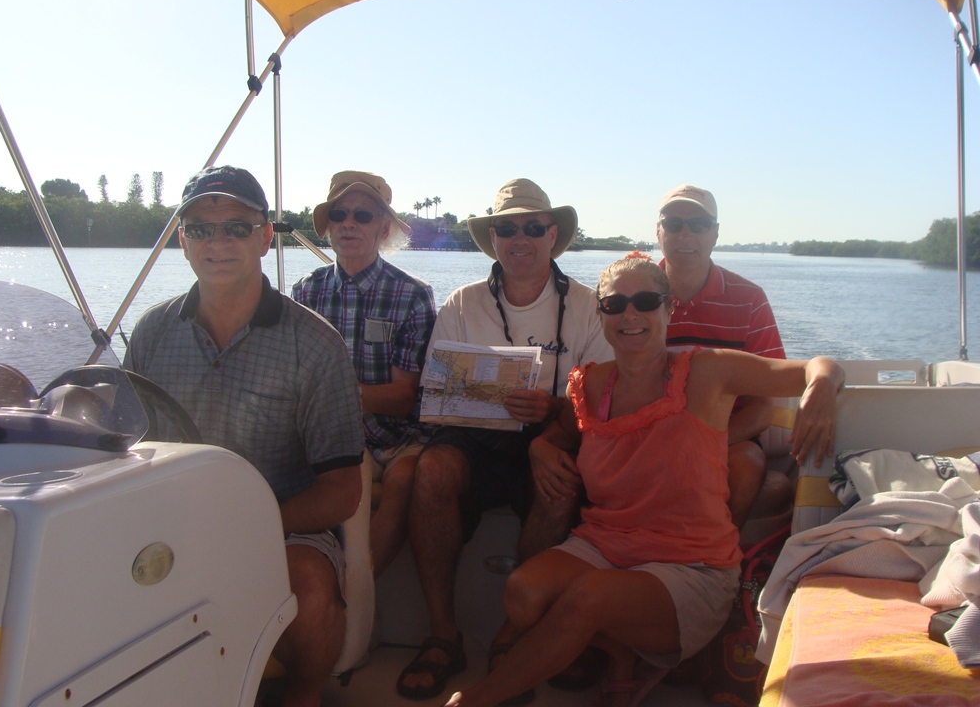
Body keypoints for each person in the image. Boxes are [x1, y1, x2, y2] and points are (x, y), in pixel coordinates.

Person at [443, 252, 843, 707]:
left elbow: (819, 367)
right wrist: (541, 448)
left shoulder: (708, 371)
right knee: (522, 593)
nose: (630, 315)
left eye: (646, 302)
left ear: (669, 308)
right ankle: (624, 655)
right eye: (614, 305)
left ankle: (476, 700)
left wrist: (821, 387)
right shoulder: (591, 385)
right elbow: (561, 433)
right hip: (606, 546)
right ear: (600, 315)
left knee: (589, 598)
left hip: (691, 565)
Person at [123, 165, 364, 707]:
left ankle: (303, 694)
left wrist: (247, 526)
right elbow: (125, 449)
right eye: (201, 229)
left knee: (309, 582)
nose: (218, 242)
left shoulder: (315, 344)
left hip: (284, 526)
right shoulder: (151, 333)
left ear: (264, 237)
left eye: (236, 227)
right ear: (182, 240)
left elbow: (342, 491)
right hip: (170, 520)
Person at [396, 178, 614, 701]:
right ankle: (443, 636)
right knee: (431, 472)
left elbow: (602, 398)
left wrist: (552, 412)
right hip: (472, 436)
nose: (520, 238)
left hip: (553, 433)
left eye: (533, 228)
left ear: (552, 235)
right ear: (492, 238)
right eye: (507, 228)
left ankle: (513, 636)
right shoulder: (462, 303)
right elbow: (435, 391)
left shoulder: (588, 306)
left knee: (561, 484)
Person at [292, 170, 436, 578]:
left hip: (396, 436)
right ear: (328, 227)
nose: (348, 224)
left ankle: (358, 585)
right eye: (338, 215)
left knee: (404, 478)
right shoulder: (304, 293)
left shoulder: (412, 295)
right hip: (332, 436)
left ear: (383, 229)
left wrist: (338, 394)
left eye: (363, 215)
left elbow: (403, 397)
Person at [656, 184, 786, 527]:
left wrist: (699, 444)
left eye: (699, 224)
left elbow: (762, 408)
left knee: (750, 465)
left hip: (726, 439)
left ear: (715, 234)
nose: (685, 234)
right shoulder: (635, 295)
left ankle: (718, 554)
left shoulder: (749, 299)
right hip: (648, 434)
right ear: (658, 231)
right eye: (674, 224)